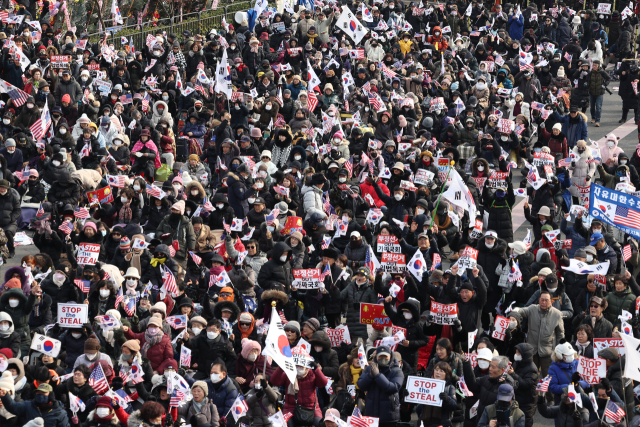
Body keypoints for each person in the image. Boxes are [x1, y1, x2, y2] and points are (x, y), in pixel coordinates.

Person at [357, 345, 404, 427]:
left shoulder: (397, 371)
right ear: (376, 356)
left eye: (385, 356)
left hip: (388, 416)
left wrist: (378, 375)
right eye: (380, 356)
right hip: (371, 416)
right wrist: (370, 376)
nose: (383, 358)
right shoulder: (370, 368)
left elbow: (392, 388)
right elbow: (361, 385)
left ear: (390, 356)